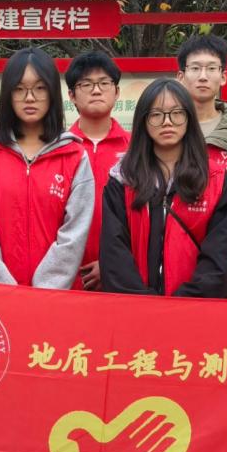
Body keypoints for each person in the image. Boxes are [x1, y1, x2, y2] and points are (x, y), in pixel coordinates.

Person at [0, 47, 94, 288]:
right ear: (7, 94)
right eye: (19, 89)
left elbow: (74, 233)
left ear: (52, 93)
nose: (30, 97)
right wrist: (5, 291)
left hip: (57, 297)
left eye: (40, 88)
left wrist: (44, 290)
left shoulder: (75, 156)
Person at [99, 80, 227, 296]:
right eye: (156, 114)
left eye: (177, 113)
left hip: (195, 310)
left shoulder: (216, 181)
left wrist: (181, 304)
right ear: (143, 121)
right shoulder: (122, 181)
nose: (167, 122)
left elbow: (219, 260)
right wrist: (147, 305)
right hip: (134, 309)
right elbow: (114, 256)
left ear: (189, 118)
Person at [66, 50, 130, 290]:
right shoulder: (59, 148)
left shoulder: (136, 148)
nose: (96, 90)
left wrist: (112, 263)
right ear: (71, 95)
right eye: (86, 84)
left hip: (122, 277)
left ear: (117, 92)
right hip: (65, 278)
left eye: (104, 83)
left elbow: (144, 217)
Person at [175, 34, 227, 186]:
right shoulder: (166, 126)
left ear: (223, 77)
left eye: (211, 68)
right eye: (195, 68)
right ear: (181, 77)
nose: (203, 77)